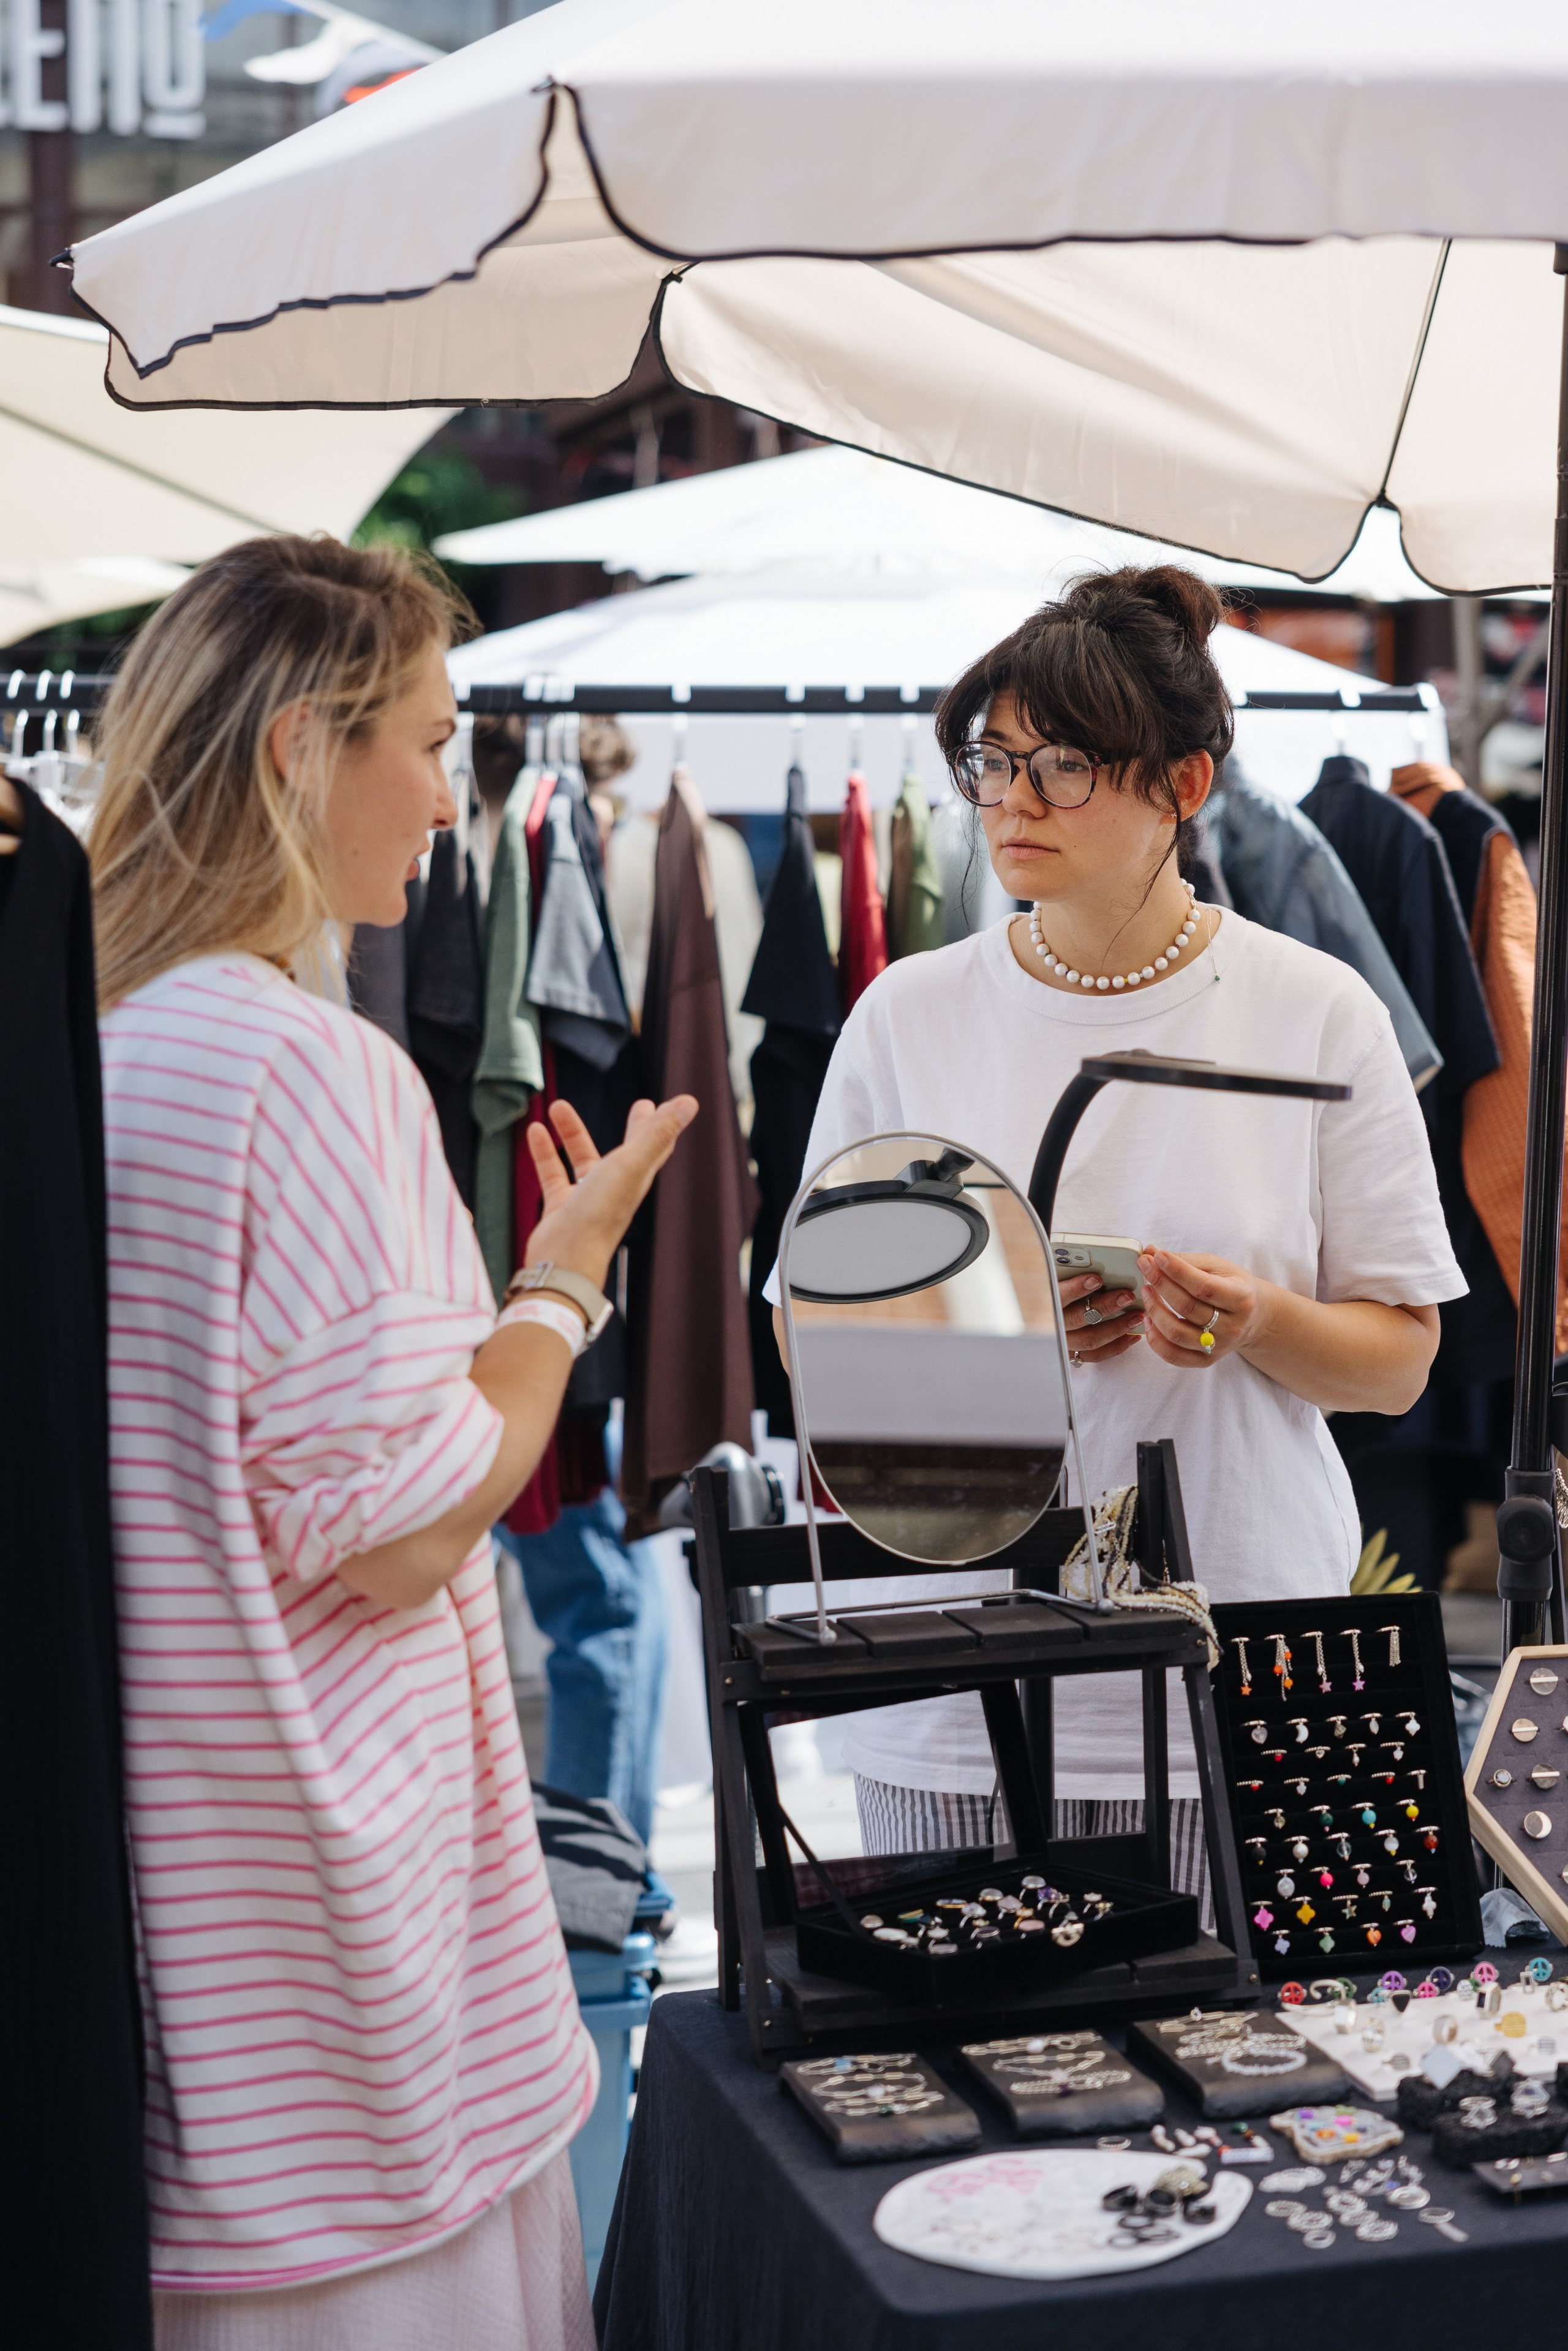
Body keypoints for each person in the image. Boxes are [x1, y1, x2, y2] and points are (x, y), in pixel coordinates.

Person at [88, 535, 695, 2350]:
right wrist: (561, 1289)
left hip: (167, 1906)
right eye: (428, 740)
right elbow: (406, 1525)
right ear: (297, 750)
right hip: (340, 1946)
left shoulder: (96, 1038)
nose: (450, 793)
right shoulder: (311, 1069)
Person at [780, 567, 1463, 1898]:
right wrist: (1004, 1339)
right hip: (951, 1666)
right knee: (951, 2085)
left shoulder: (1313, 1013)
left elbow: (1398, 1358)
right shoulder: (906, 1016)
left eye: (1065, 765)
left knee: (1260, 2092)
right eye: (991, 760)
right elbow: (810, 1345)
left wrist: (1256, 1318)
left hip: (1247, 1649)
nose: (1012, 800)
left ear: (1183, 783)